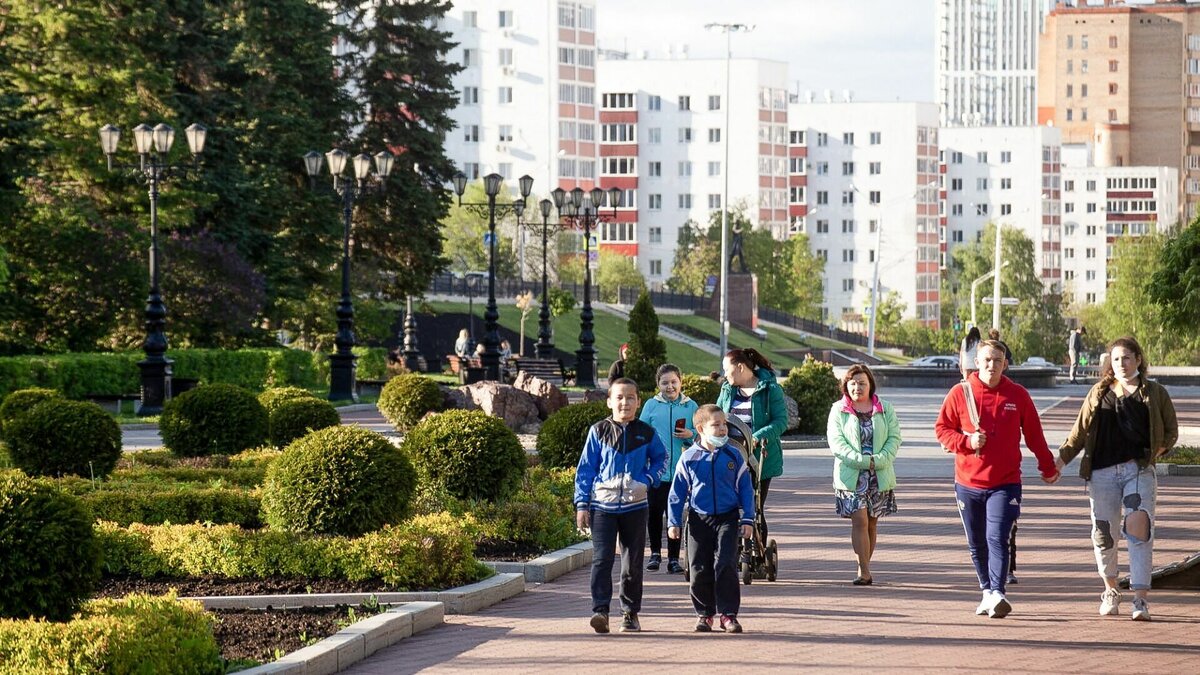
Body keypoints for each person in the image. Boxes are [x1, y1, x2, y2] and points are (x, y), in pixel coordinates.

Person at [1055, 336, 1178, 621]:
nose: (1121, 363)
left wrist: (1155, 452)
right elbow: (1079, 433)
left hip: (1138, 471)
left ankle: (1140, 599)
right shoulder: (1099, 392)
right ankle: (1111, 589)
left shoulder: (1155, 393)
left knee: (1139, 531)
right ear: (1109, 362)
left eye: (1126, 357)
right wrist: (1060, 461)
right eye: (1116, 358)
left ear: (1138, 359)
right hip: (1102, 473)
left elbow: (1171, 430)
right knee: (1104, 534)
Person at [935, 340, 1060, 619]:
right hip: (967, 483)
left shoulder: (1017, 395)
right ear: (977, 362)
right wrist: (966, 441)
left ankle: (998, 592)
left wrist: (1047, 466)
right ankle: (986, 592)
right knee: (976, 541)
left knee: (998, 537)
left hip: (1005, 483)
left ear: (1006, 364)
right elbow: (942, 429)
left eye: (998, 360)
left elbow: (1035, 436)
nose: (992, 365)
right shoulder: (960, 393)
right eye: (987, 360)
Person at [574, 378, 668, 634]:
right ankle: (600, 611)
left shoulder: (646, 433)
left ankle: (630, 613)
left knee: (632, 562)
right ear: (609, 401)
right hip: (602, 507)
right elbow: (585, 470)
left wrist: (646, 480)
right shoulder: (598, 431)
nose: (624, 402)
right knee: (602, 560)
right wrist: (582, 504)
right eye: (619, 397)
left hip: (635, 507)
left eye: (630, 398)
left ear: (638, 402)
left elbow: (661, 459)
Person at [668, 405, 755, 634]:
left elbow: (746, 489)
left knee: (726, 562)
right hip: (699, 518)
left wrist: (747, 518)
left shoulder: (733, 455)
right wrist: (673, 522)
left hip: (728, 517)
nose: (722, 430)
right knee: (698, 566)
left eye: (724, 425)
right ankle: (704, 614)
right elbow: (677, 493)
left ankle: (728, 615)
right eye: (715, 425)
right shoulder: (689, 458)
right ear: (700, 429)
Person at [827, 364, 901, 586]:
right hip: (851, 475)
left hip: (879, 474)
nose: (857, 387)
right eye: (853, 383)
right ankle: (864, 570)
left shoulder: (884, 408)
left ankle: (864, 564)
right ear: (845, 386)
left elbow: (894, 438)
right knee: (858, 521)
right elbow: (836, 442)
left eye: (862, 383)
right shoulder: (838, 410)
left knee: (871, 523)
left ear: (870, 385)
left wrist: (879, 460)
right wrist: (861, 461)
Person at [716, 348, 788, 540]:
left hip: (759, 457)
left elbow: (780, 421)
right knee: (727, 506)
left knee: (754, 507)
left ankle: (758, 554)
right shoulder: (727, 389)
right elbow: (716, 417)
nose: (724, 374)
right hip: (729, 455)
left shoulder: (769, 389)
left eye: (726, 369)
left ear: (739, 367)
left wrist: (755, 437)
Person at [639, 364, 698, 575]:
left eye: (674, 382)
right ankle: (655, 553)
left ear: (680, 382)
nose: (670, 386)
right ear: (658, 385)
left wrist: (690, 434)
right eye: (665, 383)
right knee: (654, 512)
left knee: (675, 515)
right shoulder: (651, 405)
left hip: (682, 473)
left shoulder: (690, 406)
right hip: (657, 471)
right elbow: (641, 434)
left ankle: (674, 558)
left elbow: (702, 435)